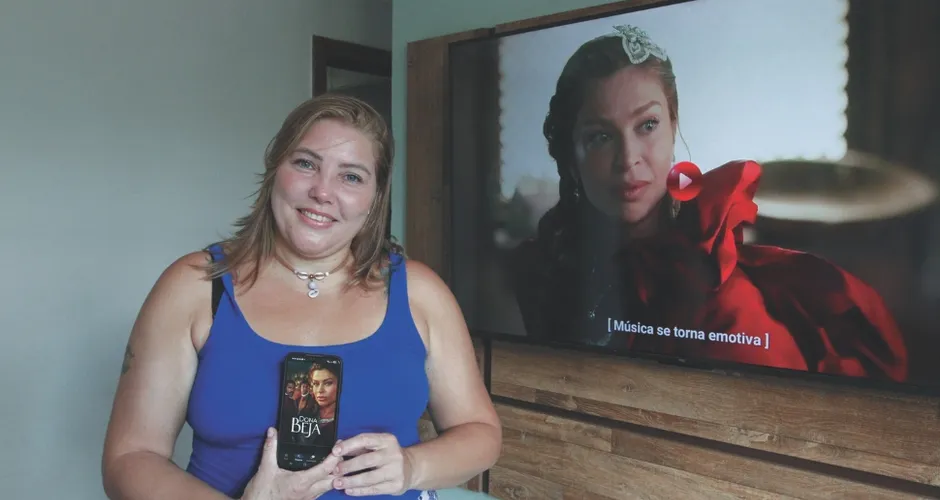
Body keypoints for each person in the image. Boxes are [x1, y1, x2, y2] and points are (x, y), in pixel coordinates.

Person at [101, 94, 501, 499]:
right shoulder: (196, 286)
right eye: (306, 163)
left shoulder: (419, 293)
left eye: (351, 177)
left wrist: (415, 466)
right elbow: (130, 458)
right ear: (275, 168)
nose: (323, 192)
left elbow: (481, 433)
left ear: (375, 198)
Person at [510, 25, 908, 382]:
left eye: (647, 125)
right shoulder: (548, 266)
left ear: (673, 128)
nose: (628, 158)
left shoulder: (718, 292)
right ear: (571, 155)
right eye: (600, 136)